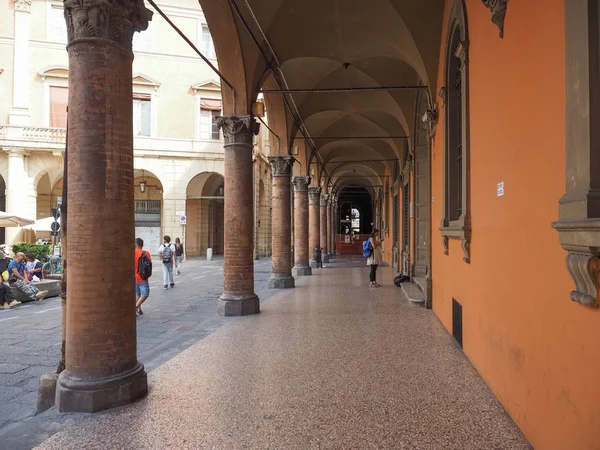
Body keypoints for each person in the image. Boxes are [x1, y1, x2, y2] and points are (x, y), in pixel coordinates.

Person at [135, 238, 151, 317]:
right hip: (142, 277)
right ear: (142, 245)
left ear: (136, 245)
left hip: (134, 277)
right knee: (145, 293)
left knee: (138, 294)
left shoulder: (132, 253)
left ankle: (139, 310)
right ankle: (136, 307)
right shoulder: (146, 253)